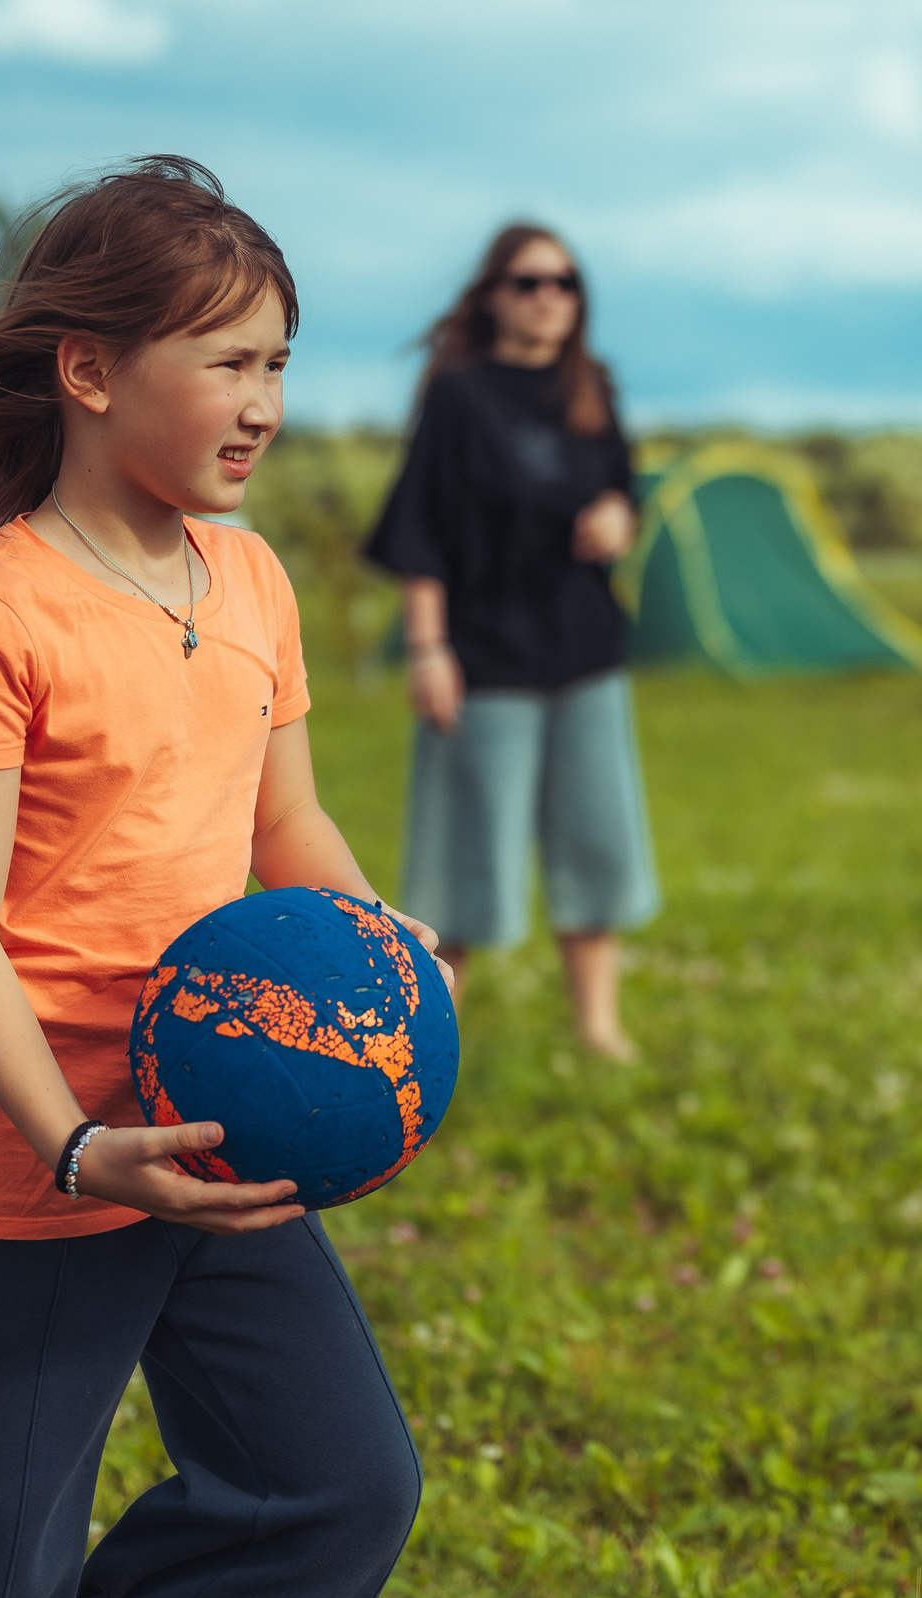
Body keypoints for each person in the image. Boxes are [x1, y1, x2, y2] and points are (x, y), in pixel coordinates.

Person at [0, 158, 428, 1598]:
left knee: (334, 1484)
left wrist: (376, 942)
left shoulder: (254, 578)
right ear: (89, 370)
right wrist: (72, 1143)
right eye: (226, 360)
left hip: (208, 1128)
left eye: (279, 361)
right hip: (14, 1169)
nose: (263, 399)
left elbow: (288, 829)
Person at [365, 223, 659, 1062]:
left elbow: (622, 490)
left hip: (584, 653)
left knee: (596, 842)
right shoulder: (460, 397)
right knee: (463, 860)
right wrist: (428, 650)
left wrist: (619, 519)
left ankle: (599, 1028)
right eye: (530, 282)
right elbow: (422, 532)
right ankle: (425, 1045)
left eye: (565, 282)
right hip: (484, 658)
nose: (548, 298)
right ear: (493, 294)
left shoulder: (591, 386)